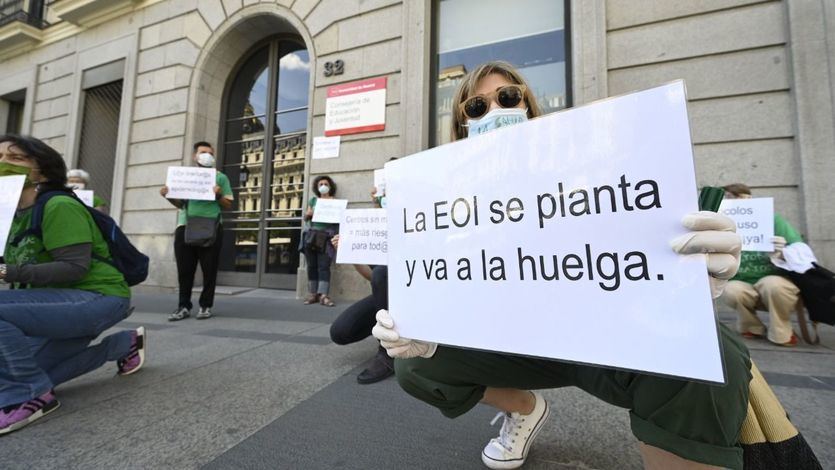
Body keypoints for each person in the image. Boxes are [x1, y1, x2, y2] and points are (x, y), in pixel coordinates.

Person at [371, 62, 820, 469]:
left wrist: (688, 269)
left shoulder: (591, 171)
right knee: (415, 366)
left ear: (528, 106)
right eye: (476, 105)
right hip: (515, 345)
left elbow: (638, 228)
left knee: (707, 356)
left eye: (507, 97)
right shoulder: (445, 206)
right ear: (461, 127)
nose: (494, 109)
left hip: (601, 339)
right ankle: (523, 410)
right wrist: (420, 324)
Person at [0, 134, 145, 435]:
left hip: (96, 297)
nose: (3, 164)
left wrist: (7, 272)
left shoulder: (57, 206)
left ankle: (31, 395)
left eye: (15, 158)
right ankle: (124, 344)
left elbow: (74, 268)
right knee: (33, 371)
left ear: (41, 170)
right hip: (53, 306)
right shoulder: (11, 215)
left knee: (22, 378)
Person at [719, 183, 804, 346]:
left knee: (773, 285)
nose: (734, 201)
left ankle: (782, 332)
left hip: (774, 279)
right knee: (732, 289)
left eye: (738, 197)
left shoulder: (773, 219)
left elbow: (801, 249)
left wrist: (783, 252)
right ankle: (751, 326)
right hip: (742, 281)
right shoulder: (723, 225)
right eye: (728, 197)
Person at [160, 141, 233, 321]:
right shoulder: (185, 176)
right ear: (195, 156)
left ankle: (205, 306)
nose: (206, 155)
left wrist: (218, 195)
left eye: (210, 152)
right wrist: (168, 196)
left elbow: (228, 204)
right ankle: (183, 306)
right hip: (185, 225)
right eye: (202, 152)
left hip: (211, 226)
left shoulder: (220, 177)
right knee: (185, 270)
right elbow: (180, 204)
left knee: (209, 269)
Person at [329, 233, 393, 384]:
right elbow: (374, 277)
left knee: (381, 272)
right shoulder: (379, 230)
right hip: (387, 294)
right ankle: (391, 328)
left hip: (417, 294)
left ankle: (388, 352)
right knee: (340, 332)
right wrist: (350, 252)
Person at [302, 175, 338, 307]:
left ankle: (324, 295)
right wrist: (308, 214)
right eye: (320, 184)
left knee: (324, 267)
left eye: (326, 184)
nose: (323, 186)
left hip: (326, 238)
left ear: (330, 186)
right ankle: (313, 294)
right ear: (317, 187)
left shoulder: (335, 202)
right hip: (311, 237)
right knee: (311, 266)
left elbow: (338, 220)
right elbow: (306, 217)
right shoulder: (313, 201)